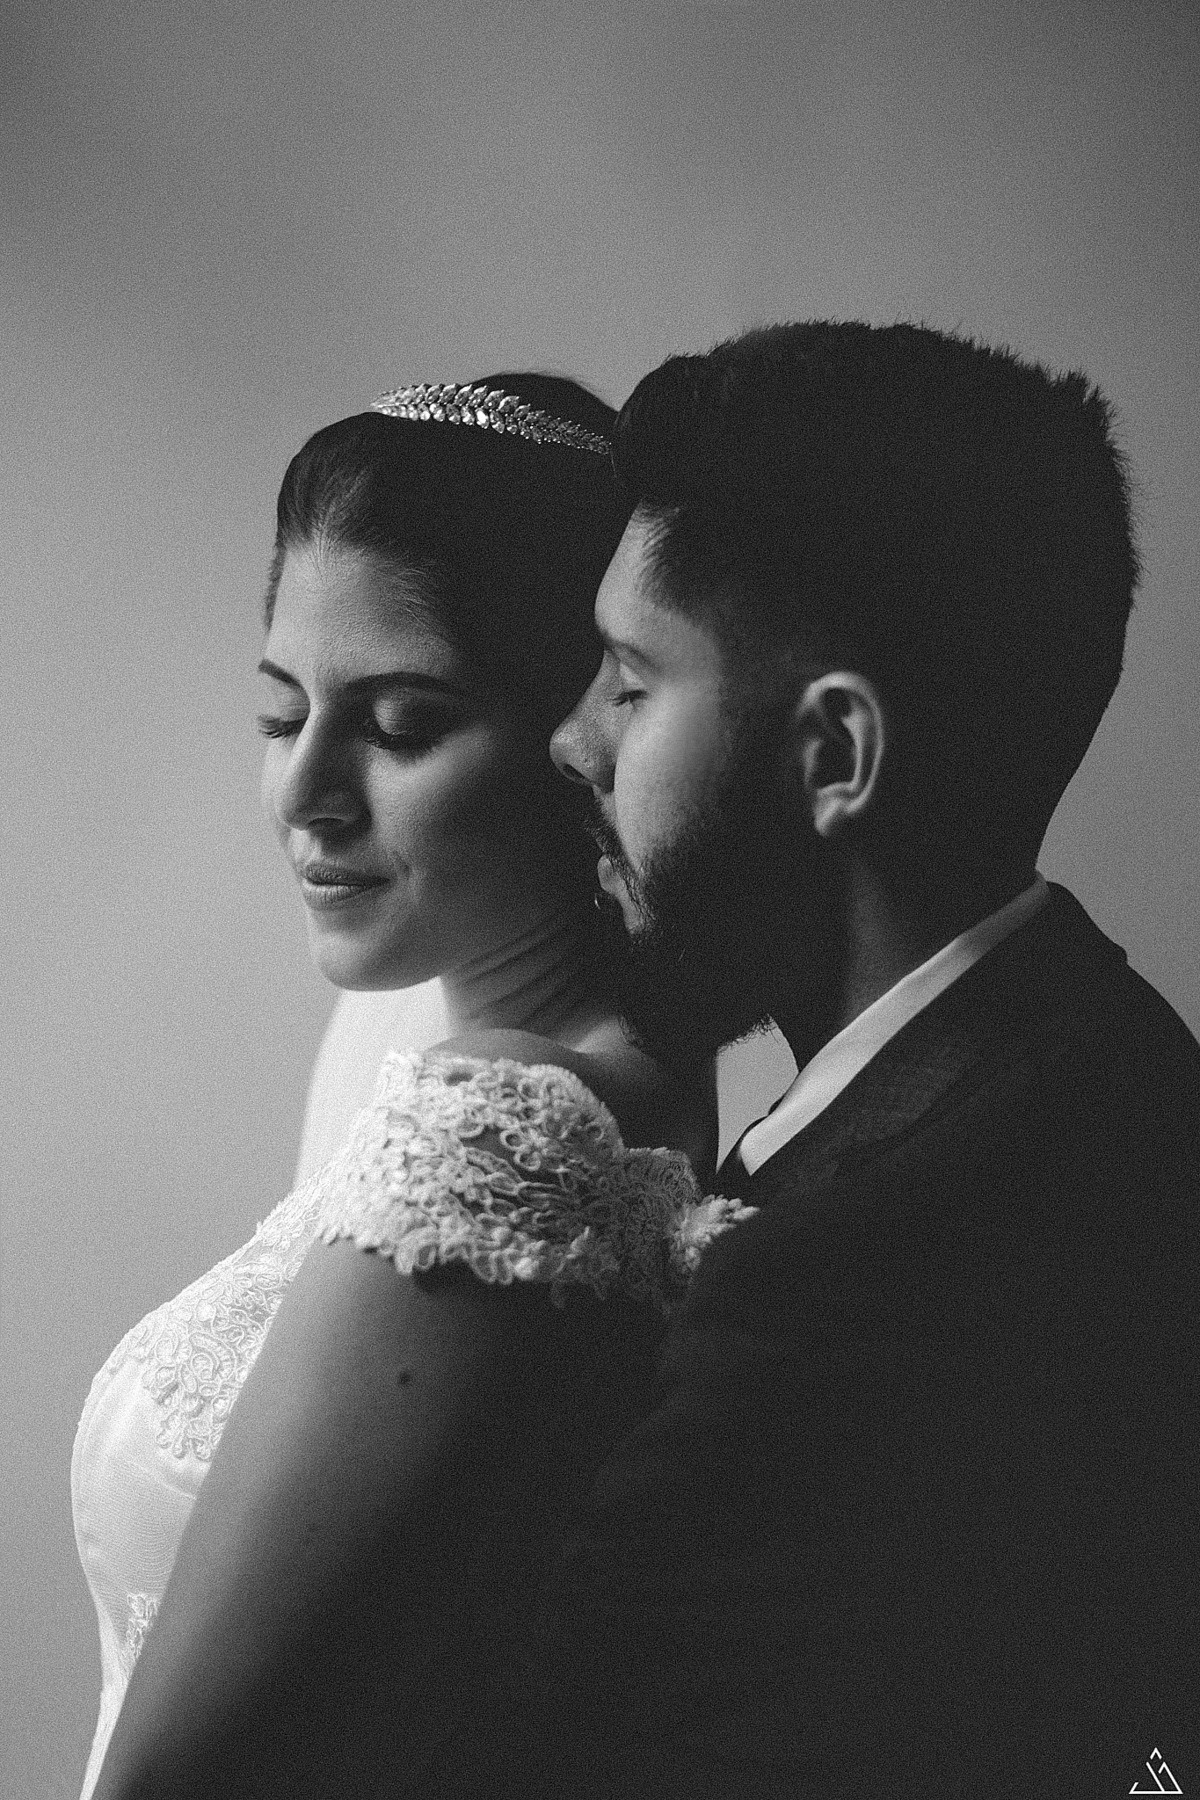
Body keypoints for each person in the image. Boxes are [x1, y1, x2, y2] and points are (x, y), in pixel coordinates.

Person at [527, 323, 1200, 1796]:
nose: (572, 740)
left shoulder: (855, 1274)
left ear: (835, 756)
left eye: (632, 685)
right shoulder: (1120, 1069)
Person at [71, 374, 731, 1800]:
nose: (307, 791)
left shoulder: (513, 1129)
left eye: (402, 724)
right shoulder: (406, 1039)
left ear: (581, 735)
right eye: (279, 712)